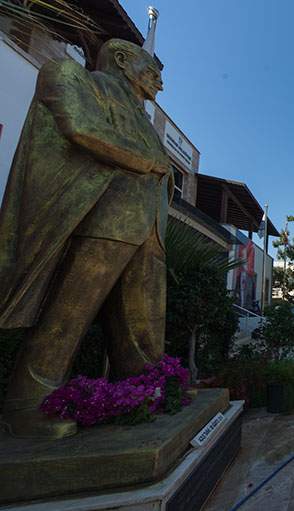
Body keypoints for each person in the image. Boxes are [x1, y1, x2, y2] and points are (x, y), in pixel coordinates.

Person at [0, 39, 173, 438]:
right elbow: (81, 127)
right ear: (122, 58)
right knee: (67, 312)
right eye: (153, 68)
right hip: (103, 219)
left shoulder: (143, 117)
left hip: (147, 227)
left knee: (142, 320)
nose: (159, 80)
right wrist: (149, 162)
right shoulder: (75, 77)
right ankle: (27, 402)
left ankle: (146, 389)